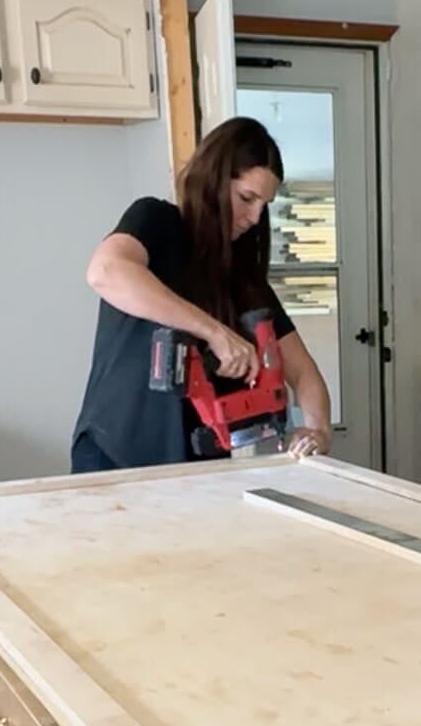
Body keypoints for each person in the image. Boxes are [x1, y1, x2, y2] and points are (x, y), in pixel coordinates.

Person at [71, 117, 333, 473]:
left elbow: (304, 374)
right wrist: (214, 332)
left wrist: (317, 431)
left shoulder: (242, 276)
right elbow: (105, 271)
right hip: (114, 453)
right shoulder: (156, 222)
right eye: (247, 198)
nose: (255, 217)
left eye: (264, 205)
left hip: (197, 464)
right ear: (213, 180)